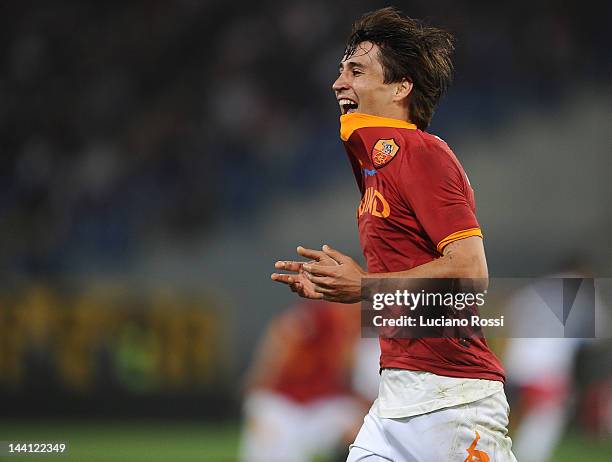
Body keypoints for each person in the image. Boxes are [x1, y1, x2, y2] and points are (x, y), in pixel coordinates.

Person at [271, 7, 517, 461]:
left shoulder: (422, 153)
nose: (338, 83)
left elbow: (470, 271)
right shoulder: (376, 167)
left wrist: (363, 286)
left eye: (357, 70)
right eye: (341, 69)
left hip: (453, 400)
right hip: (395, 397)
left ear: (401, 87)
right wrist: (345, 288)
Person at [239, 300, 379, 462]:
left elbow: (355, 381)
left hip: (326, 407)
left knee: (366, 430)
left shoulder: (363, 326)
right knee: (267, 422)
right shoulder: (310, 320)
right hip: (284, 404)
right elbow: (266, 371)